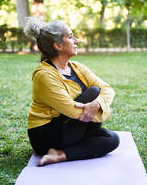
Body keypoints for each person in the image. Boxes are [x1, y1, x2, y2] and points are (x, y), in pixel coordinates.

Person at [24, 17, 120, 167]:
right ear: (58, 45)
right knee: (94, 91)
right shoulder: (44, 75)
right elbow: (72, 110)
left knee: (112, 139)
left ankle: (61, 155)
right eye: (70, 36)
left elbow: (108, 89)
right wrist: (104, 110)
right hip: (47, 135)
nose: (77, 41)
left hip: (72, 127)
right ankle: (55, 151)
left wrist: (98, 104)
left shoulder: (77, 67)